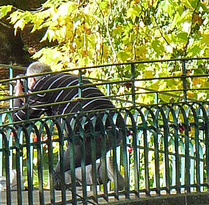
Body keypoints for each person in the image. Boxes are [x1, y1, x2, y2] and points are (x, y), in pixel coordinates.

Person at [11, 61, 127, 189]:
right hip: (115, 130)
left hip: (88, 133)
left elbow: (20, 120)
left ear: (32, 80)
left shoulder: (41, 86)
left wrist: (17, 96)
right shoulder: (67, 78)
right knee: (71, 171)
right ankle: (102, 172)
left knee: (57, 178)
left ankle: (102, 172)